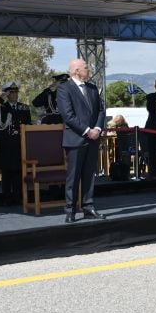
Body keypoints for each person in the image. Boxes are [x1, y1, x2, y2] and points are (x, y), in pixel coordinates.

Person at [57, 59, 107, 222]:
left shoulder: (92, 88)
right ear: (76, 71)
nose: (89, 69)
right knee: (73, 176)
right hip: (75, 139)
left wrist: (98, 129)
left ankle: (88, 206)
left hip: (93, 139)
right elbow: (68, 116)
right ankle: (70, 210)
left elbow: (101, 110)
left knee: (89, 175)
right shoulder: (64, 89)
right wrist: (87, 131)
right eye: (86, 67)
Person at [0, 82, 31, 205]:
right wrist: (1, 98)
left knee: (18, 172)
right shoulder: (1, 106)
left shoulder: (24, 107)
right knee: (6, 173)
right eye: (12, 93)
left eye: (16, 92)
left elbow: (27, 124)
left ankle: (18, 197)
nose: (15, 95)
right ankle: (6, 198)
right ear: (7, 94)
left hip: (19, 143)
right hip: (5, 144)